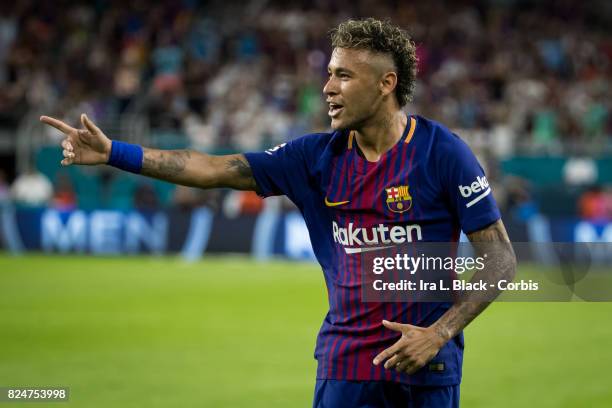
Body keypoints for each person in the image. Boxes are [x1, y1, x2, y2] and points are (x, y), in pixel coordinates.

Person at [41, 18, 516, 408]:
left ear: (386, 83)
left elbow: (500, 260)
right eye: (329, 73)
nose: (327, 87)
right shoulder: (313, 158)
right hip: (345, 368)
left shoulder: (443, 153)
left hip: (426, 369)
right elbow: (212, 169)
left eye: (344, 76)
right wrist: (114, 152)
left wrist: (439, 334)